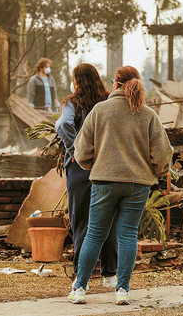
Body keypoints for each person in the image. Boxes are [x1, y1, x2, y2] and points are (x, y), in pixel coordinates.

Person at [68, 65, 173, 305]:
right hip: (137, 184)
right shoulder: (147, 114)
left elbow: (81, 151)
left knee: (94, 235)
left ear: (114, 84)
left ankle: (80, 289)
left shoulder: (100, 110)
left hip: (104, 181)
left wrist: (92, 165)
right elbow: (164, 153)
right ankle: (122, 291)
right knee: (127, 236)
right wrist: (155, 171)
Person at [55, 63, 118, 289]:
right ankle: (110, 275)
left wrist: (76, 150)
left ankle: (82, 277)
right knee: (108, 221)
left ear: (76, 81)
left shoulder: (73, 103)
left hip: (80, 170)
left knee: (81, 222)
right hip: (106, 166)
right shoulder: (109, 101)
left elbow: (62, 124)